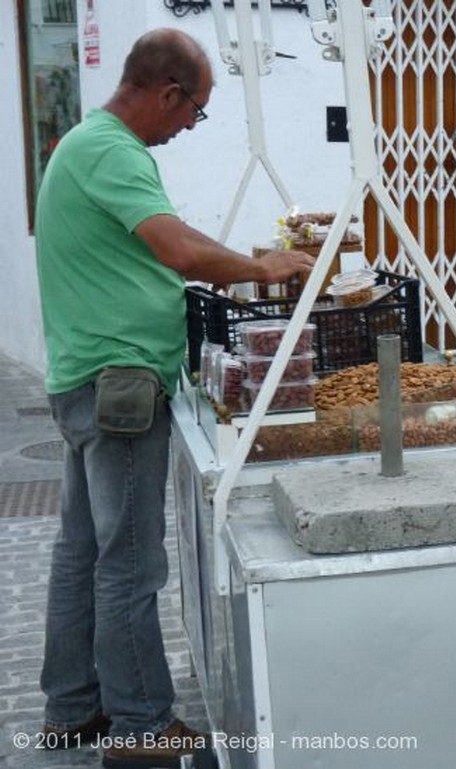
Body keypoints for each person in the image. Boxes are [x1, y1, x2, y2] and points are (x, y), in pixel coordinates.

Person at [34, 28, 314, 769]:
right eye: (195, 112)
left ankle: (72, 706)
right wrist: (265, 266)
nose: (191, 126)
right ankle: (139, 725)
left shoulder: (83, 144)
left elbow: (164, 246)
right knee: (129, 562)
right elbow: (181, 251)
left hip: (84, 375)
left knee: (82, 550)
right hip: (120, 384)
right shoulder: (112, 150)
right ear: (167, 93)